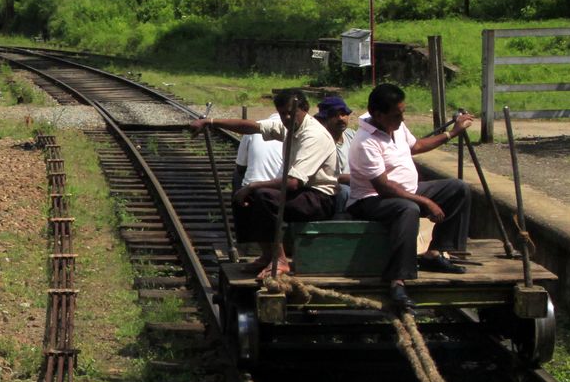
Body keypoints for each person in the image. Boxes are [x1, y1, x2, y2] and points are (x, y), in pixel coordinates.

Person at [347, 83, 476, 310]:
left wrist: (452, 132)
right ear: (378, 114)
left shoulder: (394, 126)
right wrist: (426, 201)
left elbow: (416, 146)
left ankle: (434, 253)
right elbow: (384, 188)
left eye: (403, 112)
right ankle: (397, 280)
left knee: (458, 188)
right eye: (397, 115)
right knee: (409, 208)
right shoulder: (365, 143)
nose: (402, 118)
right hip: (369, 200)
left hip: (407, 191)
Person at [190, 89, 338, 280]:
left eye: (291, 113)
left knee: (263, 195)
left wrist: (252, 186)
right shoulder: (291, 127)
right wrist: (210, 122)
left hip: (320, 198)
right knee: (243, 196)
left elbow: (293, 183)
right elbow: (251, 126)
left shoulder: (314, 135)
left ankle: (281, 261)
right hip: (303, 193)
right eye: (283, 113)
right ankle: (267, 255)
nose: (286, 117)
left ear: (305, 109)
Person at [230, 112, 284, 243]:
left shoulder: (254, 128)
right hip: (284, 186)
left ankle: (244, 237)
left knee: (237, 176)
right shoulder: (298, 130)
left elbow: (241, 167)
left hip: (257, 188)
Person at [314, 96, 356, 214]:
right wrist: (350, 178)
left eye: (343, 114)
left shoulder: (352, 135)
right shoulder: (319, 140)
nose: (341, 118)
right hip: (329, 188)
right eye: (334, 115)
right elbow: (320, 175)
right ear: (324, 118)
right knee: (343, 191)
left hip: (356, 183)